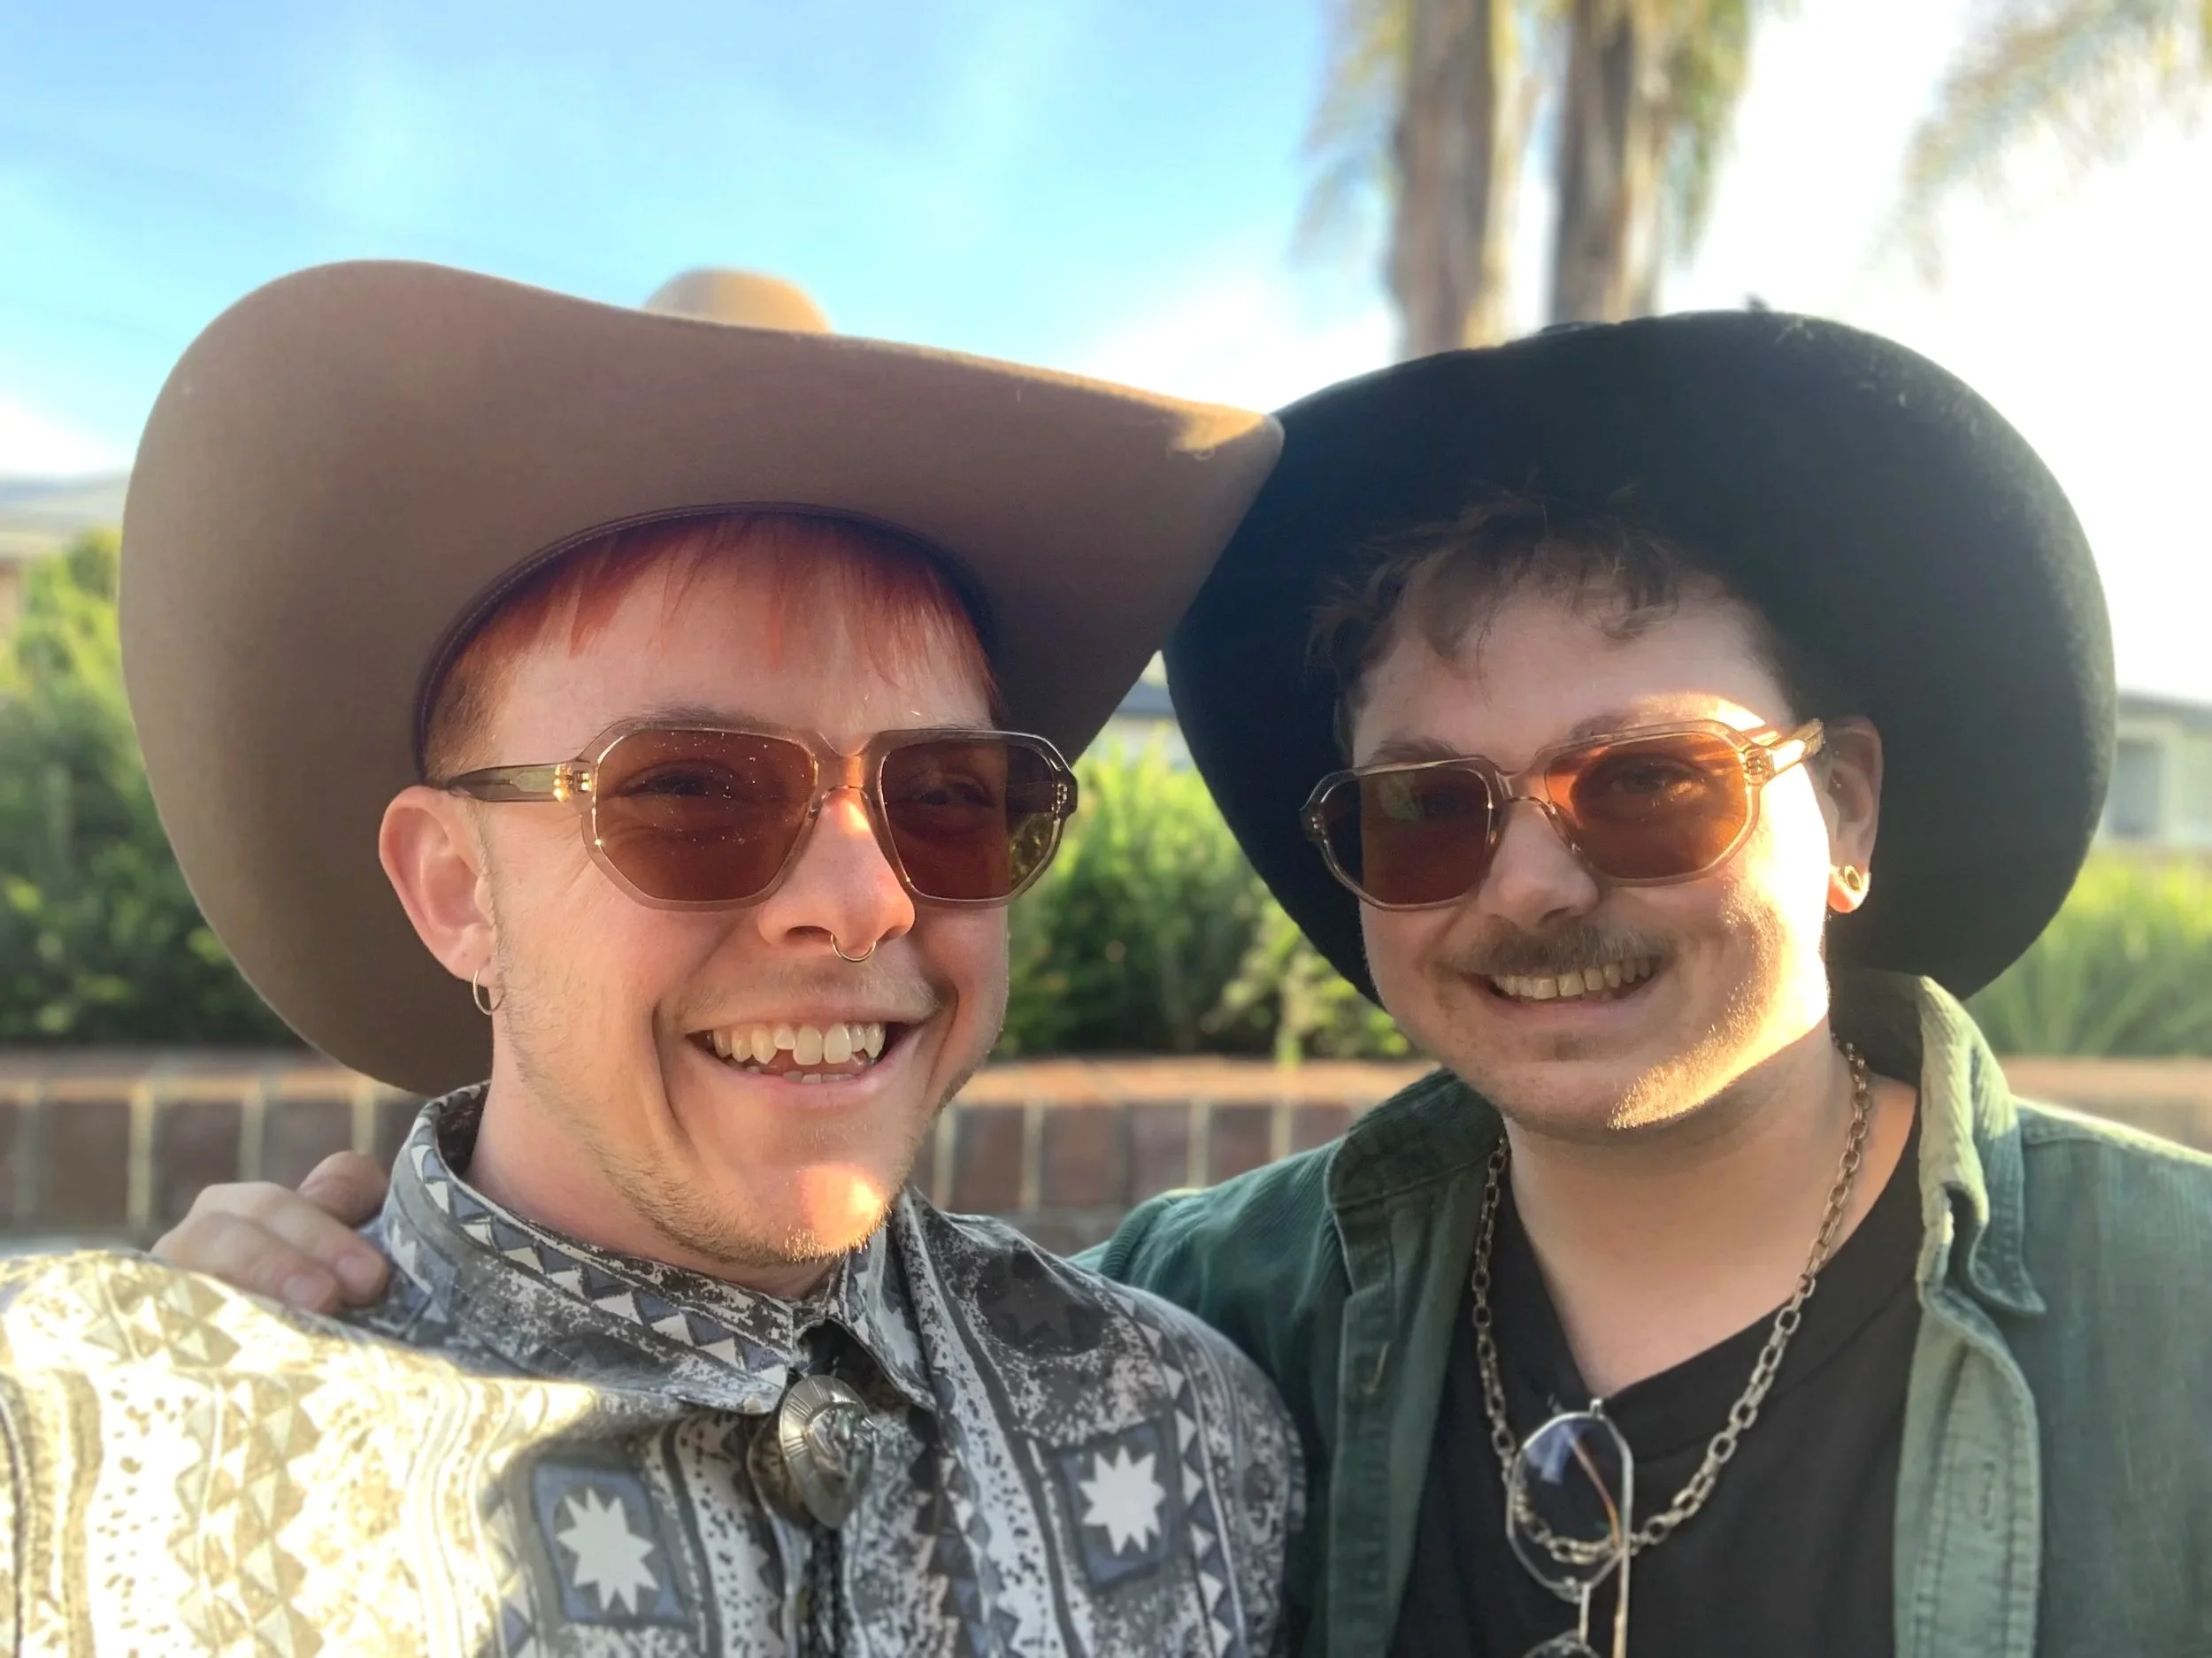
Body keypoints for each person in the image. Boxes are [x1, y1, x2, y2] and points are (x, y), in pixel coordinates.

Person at [160, 311, 2212, 1657]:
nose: (1533, 877)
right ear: (453, 886)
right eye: (691, 795)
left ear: (1837, 807)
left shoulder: (1166, 1401)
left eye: (1653, 781)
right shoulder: (1239, 1317)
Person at [0, 261, 1300, 1655]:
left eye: (947, 797)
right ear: (456, 891)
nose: (864, 902)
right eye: (690, 793)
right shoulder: (95, 1495)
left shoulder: (1193, 1431)